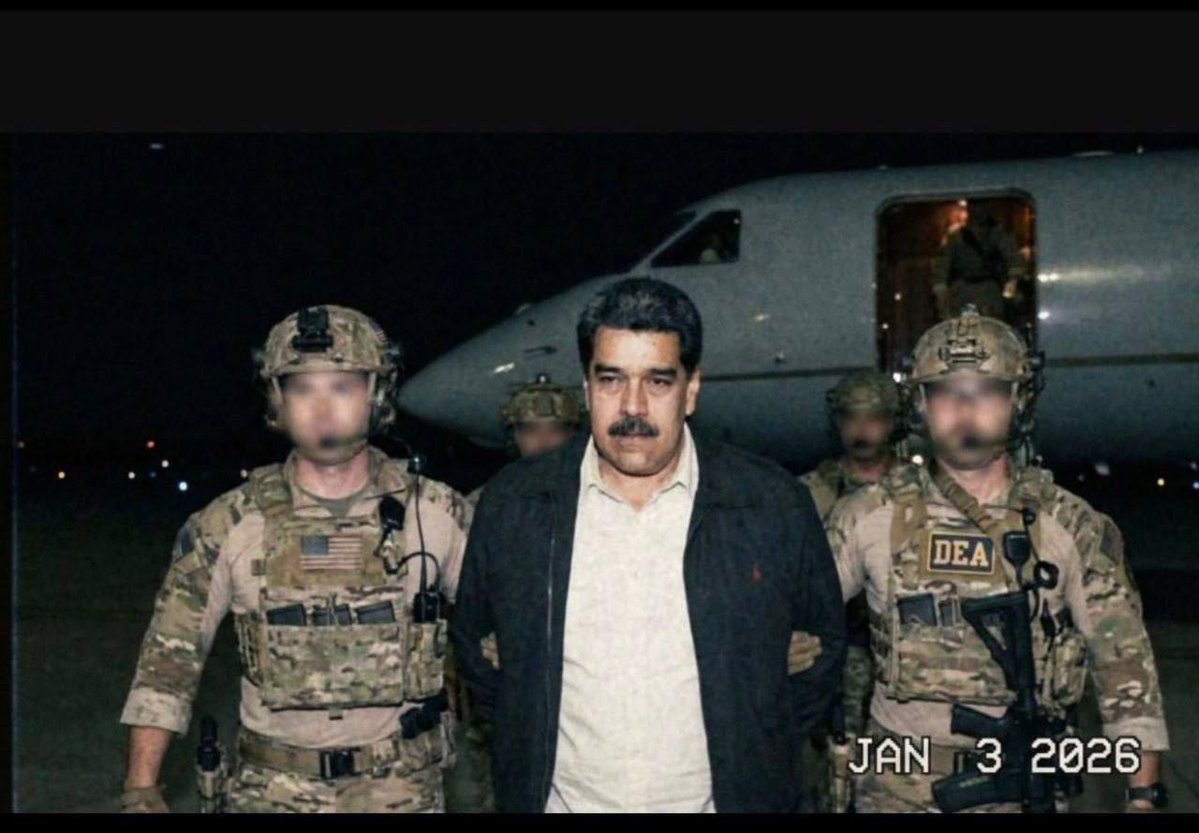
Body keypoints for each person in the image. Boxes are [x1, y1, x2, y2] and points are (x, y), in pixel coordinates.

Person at [450, 276, 846, 813]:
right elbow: (481, 659)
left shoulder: (769, 504)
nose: (632, 407)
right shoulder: (516, 505)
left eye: (658, 382)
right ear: (586, 387)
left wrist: (752, 751)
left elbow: (818, 659)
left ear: (692, 389)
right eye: (611, 379)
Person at [119, 304, 471, 813]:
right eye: (303, 389)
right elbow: (168, 662)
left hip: (401, 790)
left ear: (376, 397)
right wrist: (141, 787)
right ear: (277, 402)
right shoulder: (229, 523)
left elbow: (502, 636)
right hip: (272, 791)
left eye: (342, 387)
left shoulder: (437, 514)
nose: (322, 407)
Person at [826, 304, 1170, 812]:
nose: (964, 409)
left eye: (986, 391)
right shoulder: (867, 516)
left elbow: (1125, 671)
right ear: (920, 405)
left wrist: (1143, 795)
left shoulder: (1068, 525)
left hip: (1019, 787)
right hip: (894, 787)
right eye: (945, 392)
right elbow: (794, 618)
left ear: (1019, 402)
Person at [447, 374, 582, 813]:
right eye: (530, 431)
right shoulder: (486, 504)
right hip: (503, 688)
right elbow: (464, 600)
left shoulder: (597, 500)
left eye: (555, 431)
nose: (543, 442)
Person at [793, 369, 902, 810]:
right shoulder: (810, 494)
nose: (862, 429)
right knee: (831, 777)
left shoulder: (918, 493)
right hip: (831, 658)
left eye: (873, 417)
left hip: (900, 656)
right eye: (850, 417)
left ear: (892, 422)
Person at [932, 204, 1026, 320]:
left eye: (980, 206)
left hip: (990, 292)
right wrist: (942, 296)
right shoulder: (956, 236)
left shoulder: (1000, 235)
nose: (977, 210)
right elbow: (942, 267)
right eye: (974, 206)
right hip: (963, 292)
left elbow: (1015, 262)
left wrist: (1012, 285)